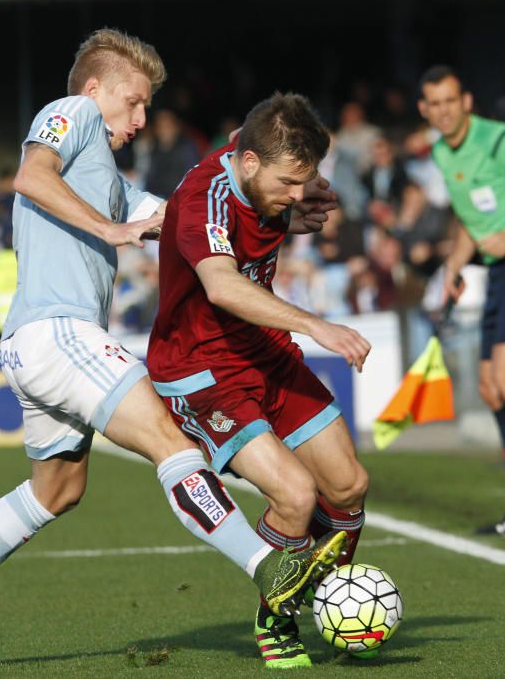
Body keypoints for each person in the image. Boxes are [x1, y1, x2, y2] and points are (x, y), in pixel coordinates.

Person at [0, 29, 346, 675]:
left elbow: (191, 218)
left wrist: (284, 213)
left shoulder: (105, 175)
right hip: (59, 333)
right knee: (170, 438)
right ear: (96, 88)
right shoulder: (70, 113)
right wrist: (110, 229)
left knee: (57, 490)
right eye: (132, 103)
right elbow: (30, 175)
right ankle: (270, 566)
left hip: (34, 347)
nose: (139, 120)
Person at [147, 92, 372, 668]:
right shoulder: (204, 197)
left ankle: (332, 600)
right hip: (201, 369)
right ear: (249, 163)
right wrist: (315, 323)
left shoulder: (258, 167)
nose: (299, 192)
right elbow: (222, 285)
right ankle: (277, 615)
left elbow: (263, 214)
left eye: (308, 180)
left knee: (347, 485)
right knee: (295, 496)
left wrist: (290, 212)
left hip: (260, 351)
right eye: (290, 182)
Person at [418, 65, 505, 539]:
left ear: (466, 101)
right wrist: (452, 269)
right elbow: (469, 220)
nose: (445, 111)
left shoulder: (502, 140)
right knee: (491, 386)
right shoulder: (440, 153)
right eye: (436, 104)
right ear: (424, 110)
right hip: (499, 270)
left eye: (452, 100)